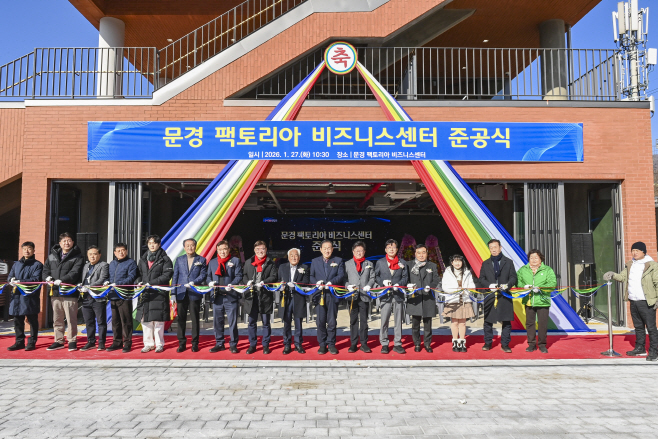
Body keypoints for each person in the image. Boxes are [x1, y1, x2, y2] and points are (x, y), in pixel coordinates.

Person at [604, 241, 658, 361]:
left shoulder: (652, 265)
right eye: (633, 250)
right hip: (634, 300)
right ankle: (640, 348)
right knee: (638, 326)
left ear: (643, 252)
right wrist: (612, 275)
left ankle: (654, 351)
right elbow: (622, 277)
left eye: (637, 251)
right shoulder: (630, 264)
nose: (635, 253)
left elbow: (657, 282)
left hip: (647, 301)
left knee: (651, 327)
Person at [43, 232, 84, 351]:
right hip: (55, 292)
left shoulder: (78, 257)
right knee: (57, 318)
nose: (67, 243)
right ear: (60, 243)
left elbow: (75, 273)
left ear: (73, 242)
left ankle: (72, 340)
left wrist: (62, 280)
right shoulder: (52, 256)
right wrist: (47, 278)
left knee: (71, 318)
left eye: (69, 240)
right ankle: (59, 341)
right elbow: (45, 270)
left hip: (69, 292)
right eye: (64, 241)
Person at [136, 235, 173, 353]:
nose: (152, 245)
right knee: (145, 320)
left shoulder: (165, 259)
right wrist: (139, 282)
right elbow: (138, 274)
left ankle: (159, 344)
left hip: (159, 294)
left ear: (159, 244)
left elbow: (167, 275)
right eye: (150, 243)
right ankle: (148, 344)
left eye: (154, 243)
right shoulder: (143, 259)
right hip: (145, 294)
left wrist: (151, 283)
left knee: (158, 321)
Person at [478, 239, 517, 353]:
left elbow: (513, 277)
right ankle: (488, 342)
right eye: (491, 248)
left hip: (504, 295)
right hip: (490, 295)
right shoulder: (485, 263)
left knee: (506, 321)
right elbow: (481, 279)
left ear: (500, 248)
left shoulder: (508, 262)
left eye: (495, 247)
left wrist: (508, 285)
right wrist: (489, 285)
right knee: (488, 321)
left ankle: (505, 344)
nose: (493, 249)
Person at [517, 249, 556, 354]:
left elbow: (552, 283)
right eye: (531, 257)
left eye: (536, 257)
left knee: (542, 323)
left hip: (543, 300)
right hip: (529, 300)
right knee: (530, 323)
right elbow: (518, 282)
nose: (533, 260)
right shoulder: (523, 270)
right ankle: (531, 344)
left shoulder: (547, 270)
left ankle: (542, 345)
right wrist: (524, 287)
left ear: (540, 259)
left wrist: (540, 288)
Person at [206, 240, 242, 354]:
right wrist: (210, 282)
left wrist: (232, 284)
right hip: (217, 296)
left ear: (229, 249)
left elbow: (239, 275)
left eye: (225, 249)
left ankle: (233, 344)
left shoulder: (235, 260)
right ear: (217, 251)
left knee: (232, 322)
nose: (222, 252)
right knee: (217, 322)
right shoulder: (212, 262)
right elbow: (208, 276)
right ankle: (219, 343)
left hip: (230, 296)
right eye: (220, 250)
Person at [172, 238, 208, 353]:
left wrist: (194, 282)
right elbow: (175, 277)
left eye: (192, 245)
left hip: (194, 292)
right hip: (181, 292)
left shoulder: (201, 259)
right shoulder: (179, 259)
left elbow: (203, 275)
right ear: (184, 247)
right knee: (181, 319)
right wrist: (173, 293)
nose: (190, 247)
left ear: (195, 246)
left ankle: (195, 343)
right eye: (187, 246)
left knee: (195, 319)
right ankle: (181, 343)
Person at [310, 239, 345, 355]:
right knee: (320, 321)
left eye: (329, 248)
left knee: (331, 321)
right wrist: (317, 283)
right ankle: (322, 344)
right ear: (320, 249)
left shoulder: (338, 260)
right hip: (319, 295)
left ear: (332, 249)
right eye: (324, 248)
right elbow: (311, 276)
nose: (327, 250)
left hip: (332, 294)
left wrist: (331, 282)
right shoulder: (315, 261)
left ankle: (331, 344)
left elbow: (341, 275)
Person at [6, 241, 43, 351]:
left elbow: (36, 279)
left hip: (30, 297)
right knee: (17, 321)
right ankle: (19, 342)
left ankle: (32, 342)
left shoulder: (37, 265)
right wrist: (11, 280)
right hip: (17, 296)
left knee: (32, 320)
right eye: (25, 249)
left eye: (29, 248)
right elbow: (10, 276)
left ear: (34, 250)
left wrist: (20, 281)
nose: (27, 251)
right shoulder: (16, 264)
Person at [242, 241, 277, 354]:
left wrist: (264, 282)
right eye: (257, 249)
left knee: (266, 322)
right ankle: (252, 344)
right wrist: (247, 282)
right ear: (254, 250)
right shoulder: (249, 262)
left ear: (266, 250)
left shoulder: (270, 262)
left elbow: (274, 276)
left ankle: (265, 345)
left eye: (262, 249)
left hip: (265, 296)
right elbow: (244, 275)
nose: (260, 251)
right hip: (251, 296)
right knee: (252, 322)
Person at [375, 239, 408, 354]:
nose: (391, 249)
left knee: (398, 321)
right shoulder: (380, 262)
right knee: (384, 320)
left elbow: (405, 277)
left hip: (398, 295)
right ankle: (384, 343)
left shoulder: (402, 262)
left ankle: (397, 343)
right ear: (385, 249)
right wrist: (382, 282)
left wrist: (399, 284)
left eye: (393, 247)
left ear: (397, 249)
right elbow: (376, 276)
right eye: (389, 247)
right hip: (385, 295)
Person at [406, 244, 440, 353]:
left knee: (428, 324)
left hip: (428, 297)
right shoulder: (408, 265)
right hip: (415, 298)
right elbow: (405, 278)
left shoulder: (432, 265)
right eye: (419, 253)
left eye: (423, 252)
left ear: (427, 253)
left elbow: (436, 279)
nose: (421, 255)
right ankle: (417, 344)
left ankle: (427, 344)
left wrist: (430, 286)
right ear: (415, 254)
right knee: (415, 324)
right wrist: (408, 285)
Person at [344, 241, 375, 353]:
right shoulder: (347, 264)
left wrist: (369, 285)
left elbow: (372, 277)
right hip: (352, 295)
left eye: (361, 251)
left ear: (364, 252)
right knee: (353, 320)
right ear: (353, 251)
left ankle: (364, 343)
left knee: (364, 321)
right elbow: (344, 278)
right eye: (357, 251)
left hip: (364, 295)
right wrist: (348, 286)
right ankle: (353, 344)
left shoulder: (369, 264)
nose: (359, 253)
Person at [106, 243, 138, 353]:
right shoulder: (112, 263)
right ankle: (117, 341)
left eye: (123, 250)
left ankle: (127, 342)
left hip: (125, 295)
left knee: (126, 320)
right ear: (114, 253)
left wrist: (118, 284)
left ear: (126, 251)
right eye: (118, 251)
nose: (121, 252)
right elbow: (109, 277)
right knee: (115, 321)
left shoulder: (131, 263)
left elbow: (131, 277)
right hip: (113, 295)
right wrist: (107, 282)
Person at [278, 248, 310, 354]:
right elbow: (278, 280)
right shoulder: (282, 267)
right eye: (291, 255)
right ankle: (287, 344)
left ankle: (298, 344)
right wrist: (281, 286)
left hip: (298, 298)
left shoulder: (304, 267)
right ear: (288, 257)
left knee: (298, 323)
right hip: (286, 298)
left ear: (299, 257)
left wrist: (296, 284)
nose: (294, 257)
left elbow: (306, 281)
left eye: (296, 255)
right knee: (286, 322)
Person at [441, 254, 476, 353]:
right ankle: (455, 341)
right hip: (453, 300)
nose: (457, 263)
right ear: (452, 263)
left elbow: (472, 286)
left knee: (463, 323)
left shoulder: (467, 272)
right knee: (454, 322)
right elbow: (445, 287)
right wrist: (456, 290)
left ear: (462, 262)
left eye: (459, 261)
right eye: (455, 261)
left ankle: (462, 341)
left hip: (464, 300)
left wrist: (466, 291)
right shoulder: (447, 272)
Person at [79, 246, 109, 351]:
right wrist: (81, 285)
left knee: (101, 322)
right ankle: (91, 341)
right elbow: (83, 280)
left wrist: (88, 287)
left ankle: (101, 342)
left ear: (99, 255)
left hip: (98, 298)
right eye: (90, 254)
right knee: (89, 321)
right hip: (86, 298)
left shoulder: (104, 265)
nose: (92, 256)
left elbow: (102, 279)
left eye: (95, 254)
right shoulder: (86, 266)